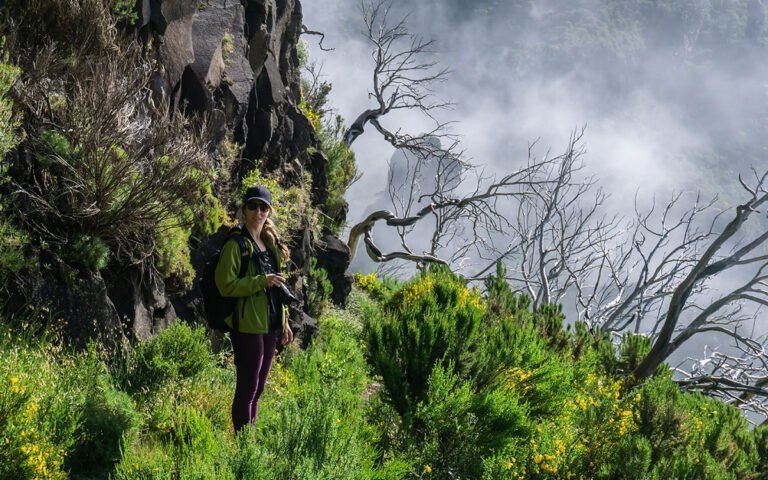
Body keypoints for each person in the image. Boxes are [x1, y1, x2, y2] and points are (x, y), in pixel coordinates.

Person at [214, 185, 294, 432]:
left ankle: (249, 443)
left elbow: (277, 290)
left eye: (263, 207)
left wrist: (284, 322)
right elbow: (225, 285)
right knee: (247, 388)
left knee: (258, 389)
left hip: (269, 324)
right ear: (243, 209)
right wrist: (261, 281)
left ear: (269, 212)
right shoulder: (236, 244)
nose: (258, 212)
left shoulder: (270, 246)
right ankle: (242, 448)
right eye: (252, 206)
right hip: (246, 324)